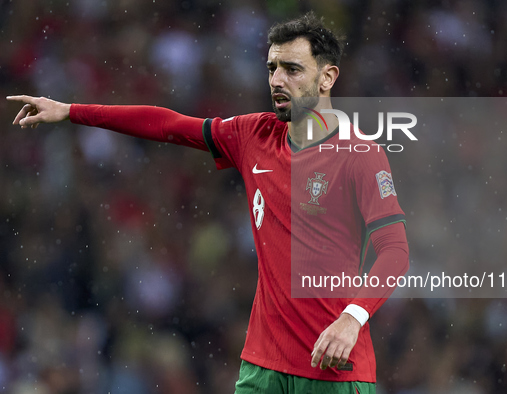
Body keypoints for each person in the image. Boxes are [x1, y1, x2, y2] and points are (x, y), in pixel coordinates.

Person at [7, 11, 409, 394]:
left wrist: (352, 320)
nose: (277, 80)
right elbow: (168, 125)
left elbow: (395, 251)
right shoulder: (254, 135)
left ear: (327, 78)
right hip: (264, 366)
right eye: (272, 68)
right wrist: (72, 111)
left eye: (292, 69)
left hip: (334, 366)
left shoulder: (360, 154)